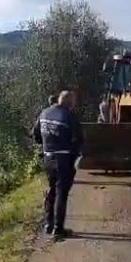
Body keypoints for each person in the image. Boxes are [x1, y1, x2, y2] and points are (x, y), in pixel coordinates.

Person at [32, 90, 83, 241]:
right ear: (70, 103)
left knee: (52, 189)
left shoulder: (44, 113)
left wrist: (47, 147)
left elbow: (35, 134)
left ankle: (48, 224)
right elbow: (79, 140)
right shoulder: (69, 117)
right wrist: (75, 155)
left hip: (48, 158)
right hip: (63, 159)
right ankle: (58, 229)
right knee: (62, 193)